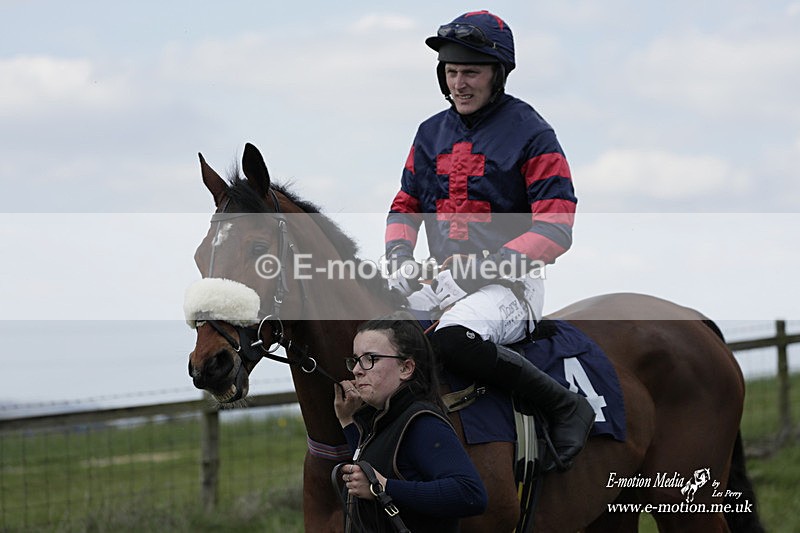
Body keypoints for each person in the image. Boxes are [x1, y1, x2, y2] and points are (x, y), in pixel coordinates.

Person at [384, 10, 595, 471]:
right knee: (376, 337)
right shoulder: (429, 133)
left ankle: (564, 406)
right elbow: (405, 203)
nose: (459, 83)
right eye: (451, 72)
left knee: (451, 340)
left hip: (511, 287)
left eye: (471, 72)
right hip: (442, 282)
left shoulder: (532, 132)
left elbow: (557, 227)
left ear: (497, 74)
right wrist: (399, 256)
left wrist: (484, 269)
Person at [333, 311, 487, 532]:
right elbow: (376, 462)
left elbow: (470, 493)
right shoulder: (387, 419)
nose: (357, 370)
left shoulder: (422, 422)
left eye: (370, 359)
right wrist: (348, 421)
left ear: (406, 368)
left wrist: (382, 487)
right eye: (356, 360)